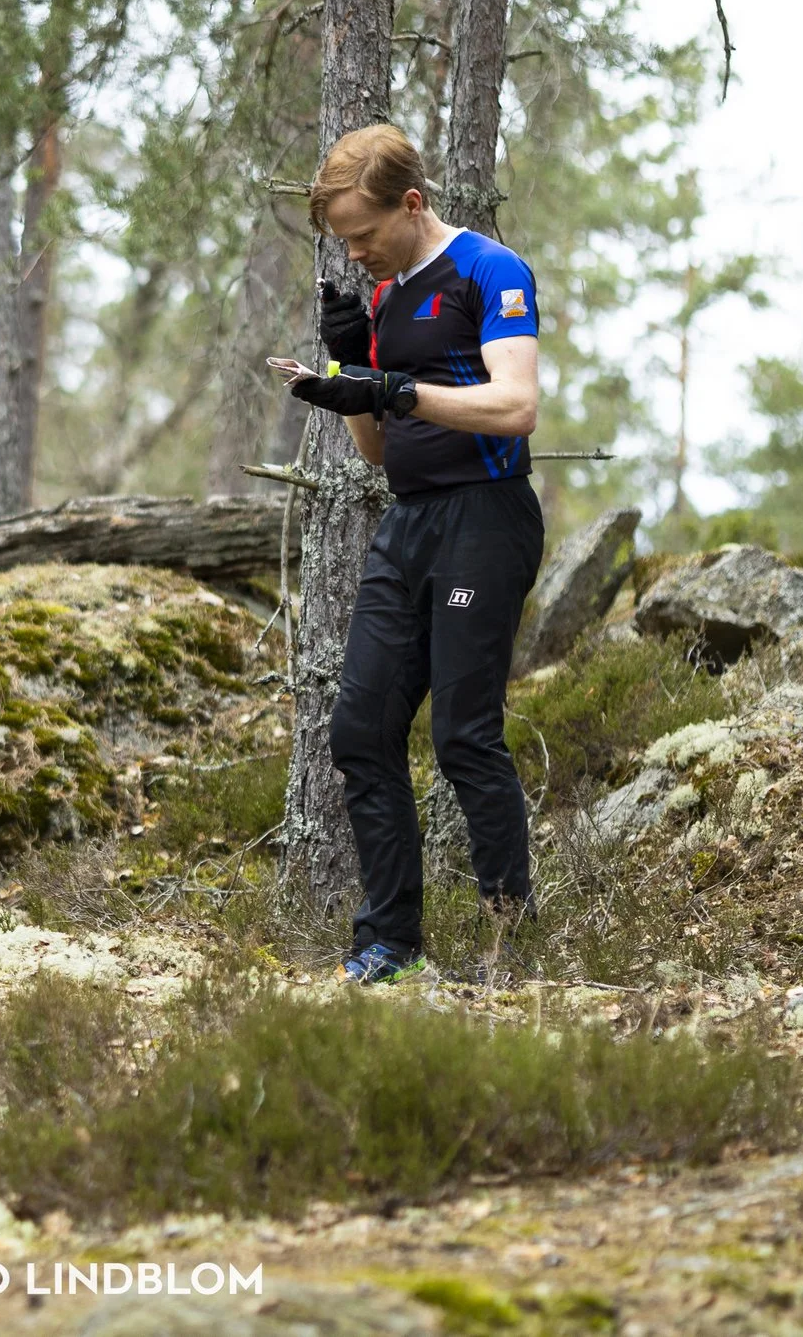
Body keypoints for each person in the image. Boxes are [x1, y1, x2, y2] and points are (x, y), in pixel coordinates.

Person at [286, 123, 545, 985]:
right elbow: (374, 450)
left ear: (413, 202)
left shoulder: (489, 270)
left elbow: (515, 408)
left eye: (364, 233)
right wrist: (349, 366)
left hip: (487, 517)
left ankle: (513, 938)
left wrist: (399, 386)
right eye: (344, 241)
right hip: (410, 521)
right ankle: (388, 943)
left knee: (465, 734)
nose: (356, 252)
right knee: (360, 728)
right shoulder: (388, 297)